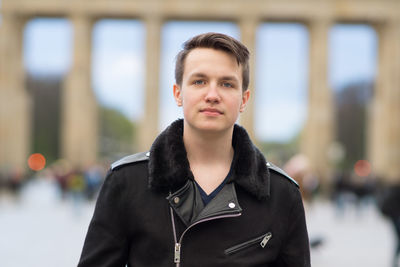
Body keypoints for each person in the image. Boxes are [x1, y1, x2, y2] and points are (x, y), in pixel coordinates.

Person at [78, 32, 311, 267]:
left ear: (244, 99)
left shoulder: (282, 193)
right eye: (199, 81)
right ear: (178, 93)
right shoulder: (127, 181)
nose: (212, 95)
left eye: (227, 84)